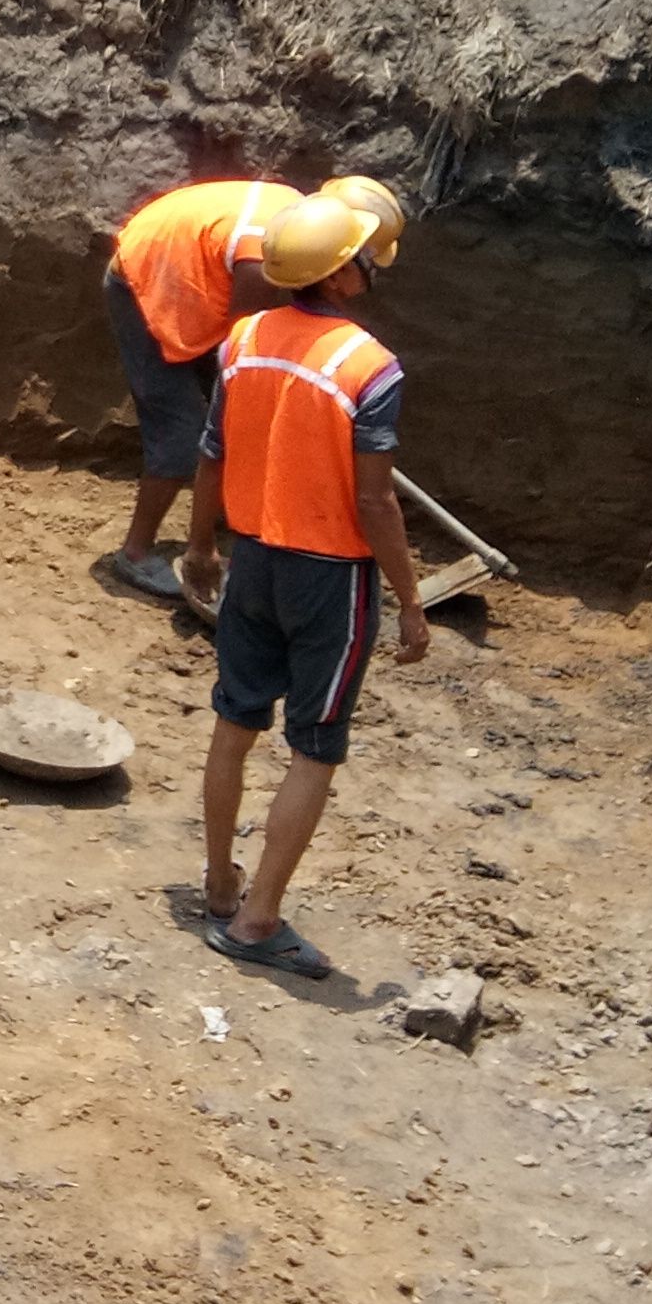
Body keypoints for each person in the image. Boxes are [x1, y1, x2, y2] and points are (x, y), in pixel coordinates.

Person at [194, 191, 428, 979]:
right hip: (328, 577)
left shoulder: (243, 339)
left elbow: (213, 453)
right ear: (342, 273)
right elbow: (374, 500)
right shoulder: (370, 366)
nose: (374, 269)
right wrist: (409, 599)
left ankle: (221, 884)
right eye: (366, 259)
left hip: (252, 560)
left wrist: (200, 544)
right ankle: (258, 923)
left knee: (235, 720)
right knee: (315, 747)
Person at [96, 175, 299, 603]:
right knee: (183, 430)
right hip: (146, 281)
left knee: (229, 418)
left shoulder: (299, 223)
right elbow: (241, 353)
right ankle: (134, 553)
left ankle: (231, 522)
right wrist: (200, 546)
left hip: (187, 269)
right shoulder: (261, 257)